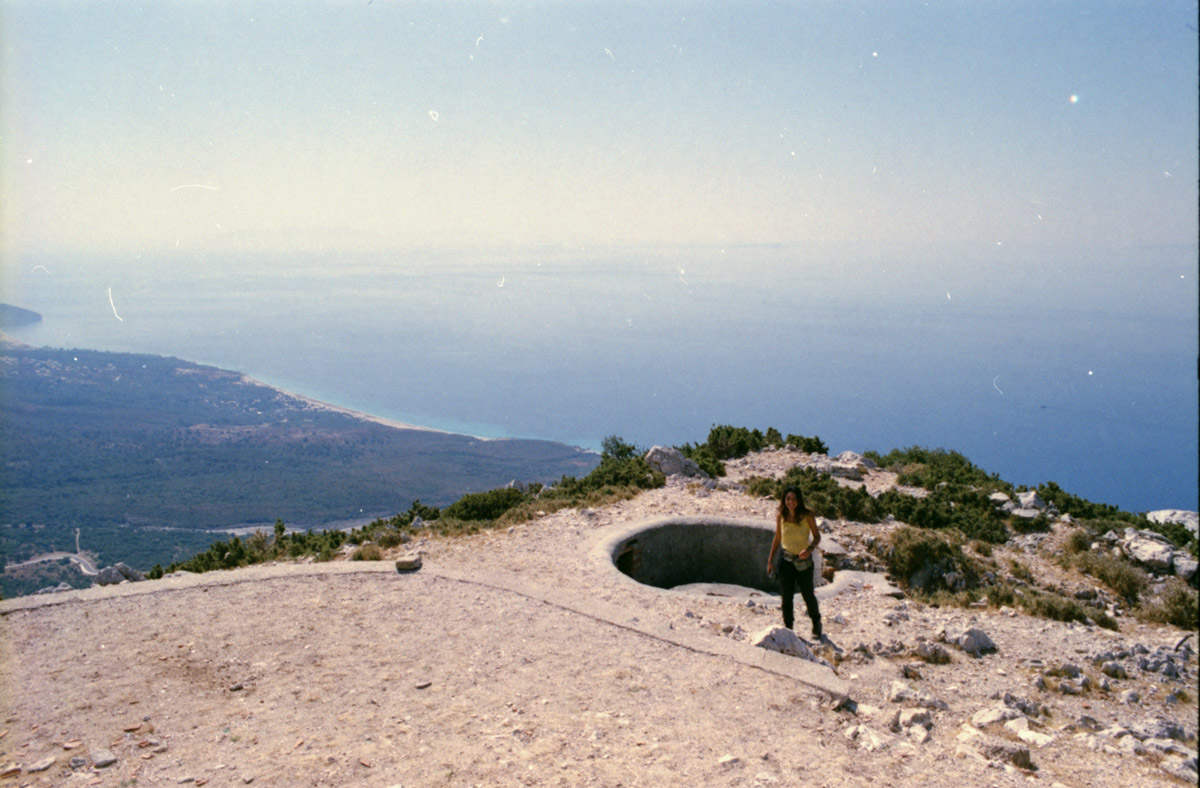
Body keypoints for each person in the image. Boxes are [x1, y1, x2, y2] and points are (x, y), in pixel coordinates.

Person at [766, 486, 823, 639]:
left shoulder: (807, 515)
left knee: (807, 594)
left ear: (799, 500)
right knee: (786, 596)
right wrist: (770, 560)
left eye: (794, 499)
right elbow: (777, 538)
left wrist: (809, 549)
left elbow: (817, 537)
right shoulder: (781, 516)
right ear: (784, 500)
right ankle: (789, 628)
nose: (791, 502)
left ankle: (816, 624)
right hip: (786, 561)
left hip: (803, 562)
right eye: (788, 499)